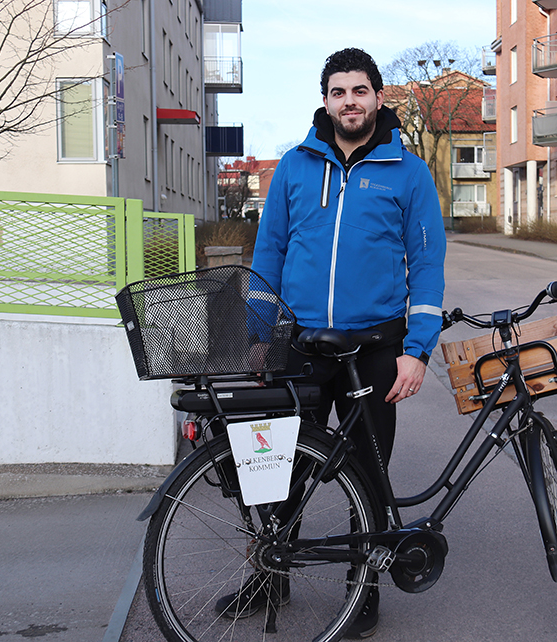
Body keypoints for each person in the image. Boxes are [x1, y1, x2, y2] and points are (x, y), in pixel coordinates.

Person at [216, 48, 446, 638]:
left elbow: (427, 267)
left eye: (360, 90)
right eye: (339, 92)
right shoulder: (295, 166)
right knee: (277, 468)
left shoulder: (409, 173)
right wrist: (259, 338)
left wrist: (416, 350)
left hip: (374, 345)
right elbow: (267, 257)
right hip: (301, 344)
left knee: (369, 473)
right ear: (326, 101)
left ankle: (362, 586)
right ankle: (271, 576)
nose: (350, 101)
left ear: (377, 97)